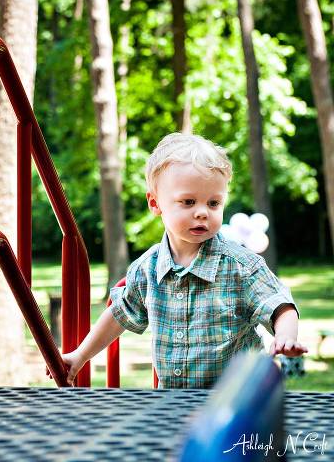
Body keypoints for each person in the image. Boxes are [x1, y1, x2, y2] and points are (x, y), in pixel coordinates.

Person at [54, 133, 307, 388]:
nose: (202, 212)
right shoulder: (147, 269)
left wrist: (285, 337)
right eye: (188, 202)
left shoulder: (240, 267)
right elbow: (119, 314)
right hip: (173, 403)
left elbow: (280, 305)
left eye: (213, 203)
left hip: (235, 401)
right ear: (155, 203)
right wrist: (80, 356)